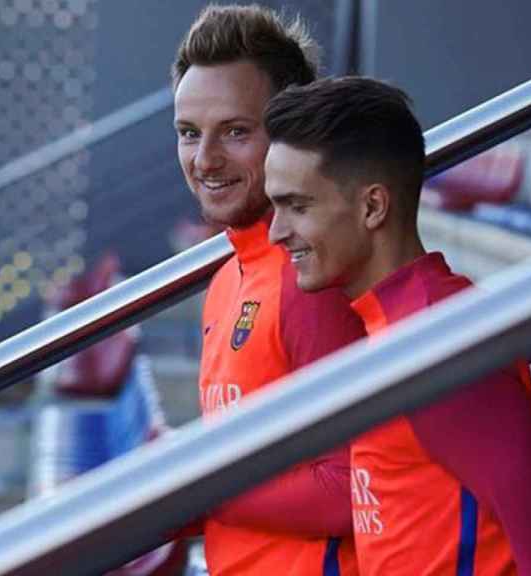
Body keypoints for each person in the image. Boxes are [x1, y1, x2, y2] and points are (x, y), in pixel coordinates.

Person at [263, 76, 531, 575]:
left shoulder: (437, 343)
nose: (275, 232)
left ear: (372, 206)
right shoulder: (395, 322)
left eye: (297, 206)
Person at [172, 6, 365, 575]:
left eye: (235, 132)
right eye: (188, 133)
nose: (205, 160)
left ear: (290, 134)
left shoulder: (312, 280)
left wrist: (194, 488)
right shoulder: (228, 277)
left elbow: (353, 488)